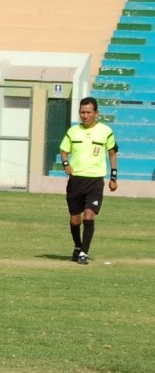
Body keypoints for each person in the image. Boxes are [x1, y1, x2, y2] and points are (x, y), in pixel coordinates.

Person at [59, 96, 118, 265]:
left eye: (89, 112)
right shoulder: (73, 131)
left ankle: (84, 253)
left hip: (95, 181)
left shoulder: (106, 131)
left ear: (96, 113)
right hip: (76, 181)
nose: (85, 116)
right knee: (74, 219)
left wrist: (113, 177)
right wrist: (66, 164)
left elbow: (112, 153)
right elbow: (63, 150)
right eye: (82, 112)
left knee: (89, 215)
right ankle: (78, 246)